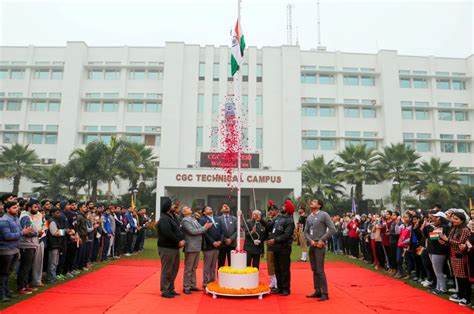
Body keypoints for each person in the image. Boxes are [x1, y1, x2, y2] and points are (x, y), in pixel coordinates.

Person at [304, 199, 336, 302]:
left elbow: (332, 229)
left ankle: (325, 293)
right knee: (314, 269)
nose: (311, 203)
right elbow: (306, 232)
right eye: (311, 202)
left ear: (319, 205)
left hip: (320, 246)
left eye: (314, 202)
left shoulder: (324, 215)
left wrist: (322, 240)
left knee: (320, 270)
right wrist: (310, 241)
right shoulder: (309, 217)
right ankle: (317, 290)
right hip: (312, 245)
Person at [0, 202, 32, 301]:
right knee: (3, 273)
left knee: (8, 272)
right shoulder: (4, 221)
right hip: (6, 250)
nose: (17, 209)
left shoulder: (16, 218)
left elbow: (19, 232)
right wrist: (22, 232)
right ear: (7, 209)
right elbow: (7, 236)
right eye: (14, 207)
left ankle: (6, 291)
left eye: (17, 207)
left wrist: (24, 231)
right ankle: (2, 294)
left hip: (15, 249)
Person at [439, 210, 471, 307]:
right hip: (453, 256)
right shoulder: (453, 228)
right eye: (453, 218)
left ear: (462, 220)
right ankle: (460, 294)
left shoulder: (465, 230)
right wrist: (444, 242)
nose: (454, 220)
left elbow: (461, 243)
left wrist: (447, 240)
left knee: (464, 278)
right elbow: (451, 241)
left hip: (461, 256)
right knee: (458, 277)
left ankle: (467, 298)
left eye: (456, 219)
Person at [181, 206, 212, 294]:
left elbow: (199, 229)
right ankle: (186, 286)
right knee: (188, 268)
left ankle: (193, 285)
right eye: (187, 208)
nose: (190, 208)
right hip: (191, 247)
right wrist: (205, 227)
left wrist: (204, 227)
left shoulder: (193, 219)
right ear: (184, 212)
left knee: (194, 268)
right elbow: (193, 231)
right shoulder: (185, 220)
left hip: (197, 246)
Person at [267, 199, 295, 296]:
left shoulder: (290, 221)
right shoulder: (279, 218)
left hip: (284, 248)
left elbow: (287, 235)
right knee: (277, 268)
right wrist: (260, 220)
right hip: (276, 248)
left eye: (284, 206)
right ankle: (279, 287)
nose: (282, 207)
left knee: (284, 269)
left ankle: (286, 289)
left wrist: (275, 240)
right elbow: (269, 226)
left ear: (288, 209)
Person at [157, 199, 184, 298]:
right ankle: (165, 290)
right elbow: (167, 233)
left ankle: (171, 288)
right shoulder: (164, 218)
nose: (174, 206)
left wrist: (181, 240)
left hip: (174, 247)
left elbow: (178, 230)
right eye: (172, 205)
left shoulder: (173, 217)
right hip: (167, 247)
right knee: (167, 269)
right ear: (168, 207)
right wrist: (178, 241)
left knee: (174, 269)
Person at [422, 211, 449, 294]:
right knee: (436, 271)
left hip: (438, 251)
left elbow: (433, 236)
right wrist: (426, 227)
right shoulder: (436, 226)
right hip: (432, 250)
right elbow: (427, 235)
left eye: (436, 217)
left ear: (440, 219)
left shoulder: (444, 226)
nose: (433, 219)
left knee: (439, 271)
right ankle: (438, 287)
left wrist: (429, 226)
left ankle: (443, 289)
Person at [18, 200, 40, 294]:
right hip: (26, 245)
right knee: (25, 266)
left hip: (31, 244)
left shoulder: (30, 217)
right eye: (35, 207)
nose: (37, 209)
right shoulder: (25, 217)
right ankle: (21, 287)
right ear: (29, 208)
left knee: (28, 266)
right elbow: (26, 232)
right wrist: (37, 233)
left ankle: (25, 285)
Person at [199, 206, 223, 289]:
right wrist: (213, 242)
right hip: (209, 246)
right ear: (204, 212)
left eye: (210, 208)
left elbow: (222, 231)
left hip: (217, 245)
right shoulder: (202, 220)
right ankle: (205, 282)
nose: (210, 209)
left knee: (213, 265)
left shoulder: (217, 218)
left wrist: (220, 241)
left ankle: (212, 280)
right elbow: (204, 233)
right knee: (207, 265)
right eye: (208, 208)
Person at [46, 207, 67, 284]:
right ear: (52, 213)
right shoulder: (52, 221)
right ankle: (50, 278)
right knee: (52, 262)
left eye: (59, 213)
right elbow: (54, 232)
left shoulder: (55, 221)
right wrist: (65, 232)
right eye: (57, 213)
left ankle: (53, 277)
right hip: (53, 244)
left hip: (57, 244)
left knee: (55, 262)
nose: (59, 214)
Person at [217, 203, 237, 268]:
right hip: (222, 243)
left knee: (232, 263)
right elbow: (218, 231)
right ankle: (220, 276)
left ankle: (231, 277)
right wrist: (225, 239)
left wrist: (231, 239)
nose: (226, 207)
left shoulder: (234, 219)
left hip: (232, 243)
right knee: (221, 262)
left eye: (227, 206)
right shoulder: (218, 219)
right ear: (221, 209)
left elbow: (237, 230)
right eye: (224, 206)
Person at [265, 200, 279, 289]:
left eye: (273, 210)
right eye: (270, 210)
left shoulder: (280, 219)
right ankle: (272, 280)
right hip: (269, 243)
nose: (271, 211)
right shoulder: (268, 219)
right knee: (269, 263)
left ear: (277, 211)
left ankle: (277, 281)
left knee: (277, 263)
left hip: (277, 243)